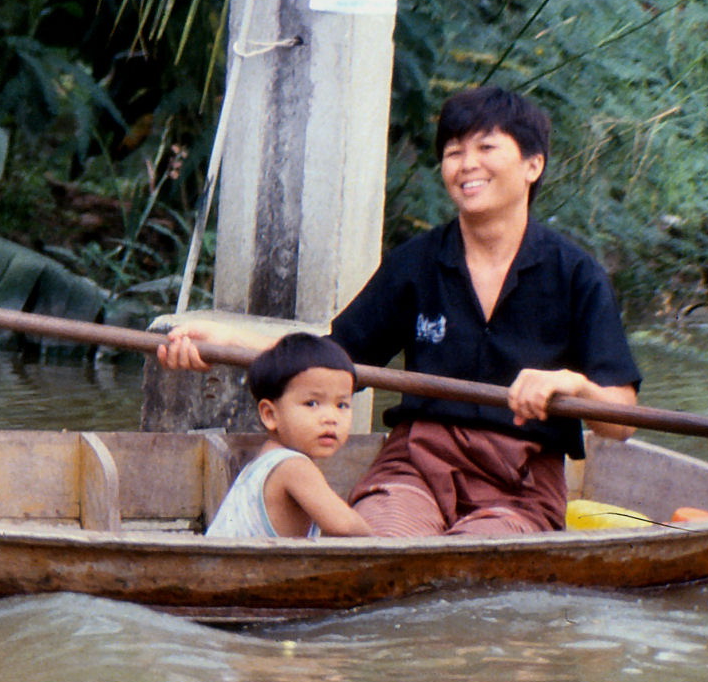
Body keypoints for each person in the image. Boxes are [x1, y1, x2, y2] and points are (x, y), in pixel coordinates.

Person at [163, 86, 641, 537]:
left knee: (473, 575)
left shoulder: (577, 274)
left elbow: (619, 421)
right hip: (415, 466)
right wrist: (218, 342)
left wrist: (571, 383)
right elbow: (331, 356)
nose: (466, 165)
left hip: (519, 487)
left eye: (486, 148)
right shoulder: (416, 262)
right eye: (453, 152)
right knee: (381, 550)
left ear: (533, 165)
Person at [205, 333, 375, 538]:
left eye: (342, 405)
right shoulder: (293, 467)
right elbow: (344, 525)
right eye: (312, 403)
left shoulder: (265, 460)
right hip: (250, 569)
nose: (331, 418)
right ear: (270, 415)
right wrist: (384, 544)